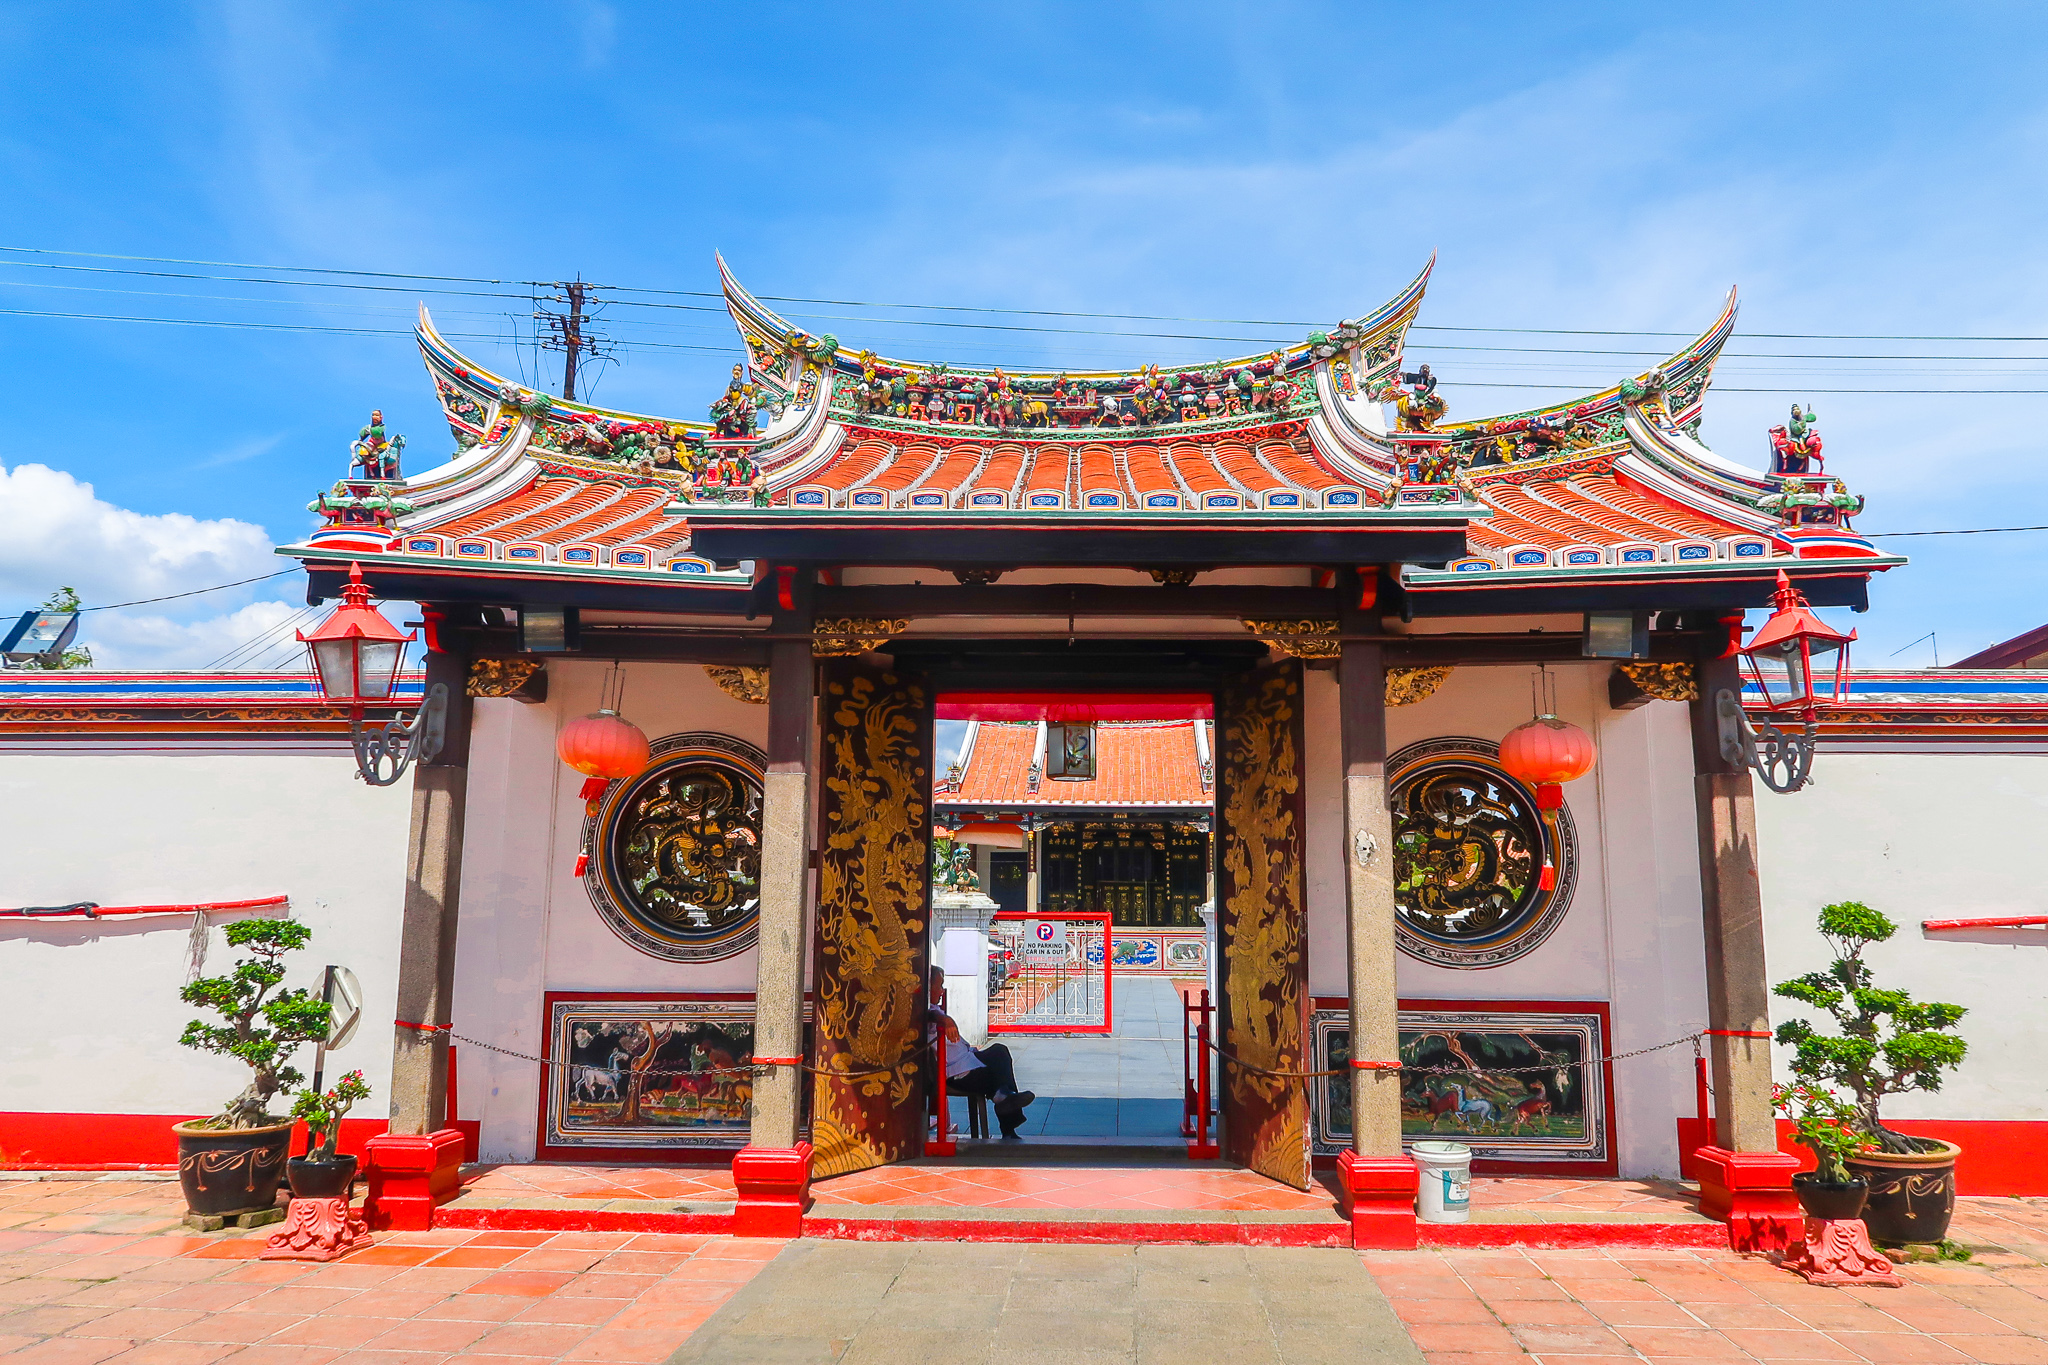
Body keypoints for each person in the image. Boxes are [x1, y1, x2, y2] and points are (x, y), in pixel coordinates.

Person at [926, 976, 1035, 1140]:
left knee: (999, 1052)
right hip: (958, 1074)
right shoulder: (927, 1012)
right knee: (998, 1073)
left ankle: (1004, 1099)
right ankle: (1007, 1120)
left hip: (967, 1061)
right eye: (939, 985)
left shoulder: (934, 1008)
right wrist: (944, 1019)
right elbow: (930, 1014)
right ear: (928, 988)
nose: (942, 991)